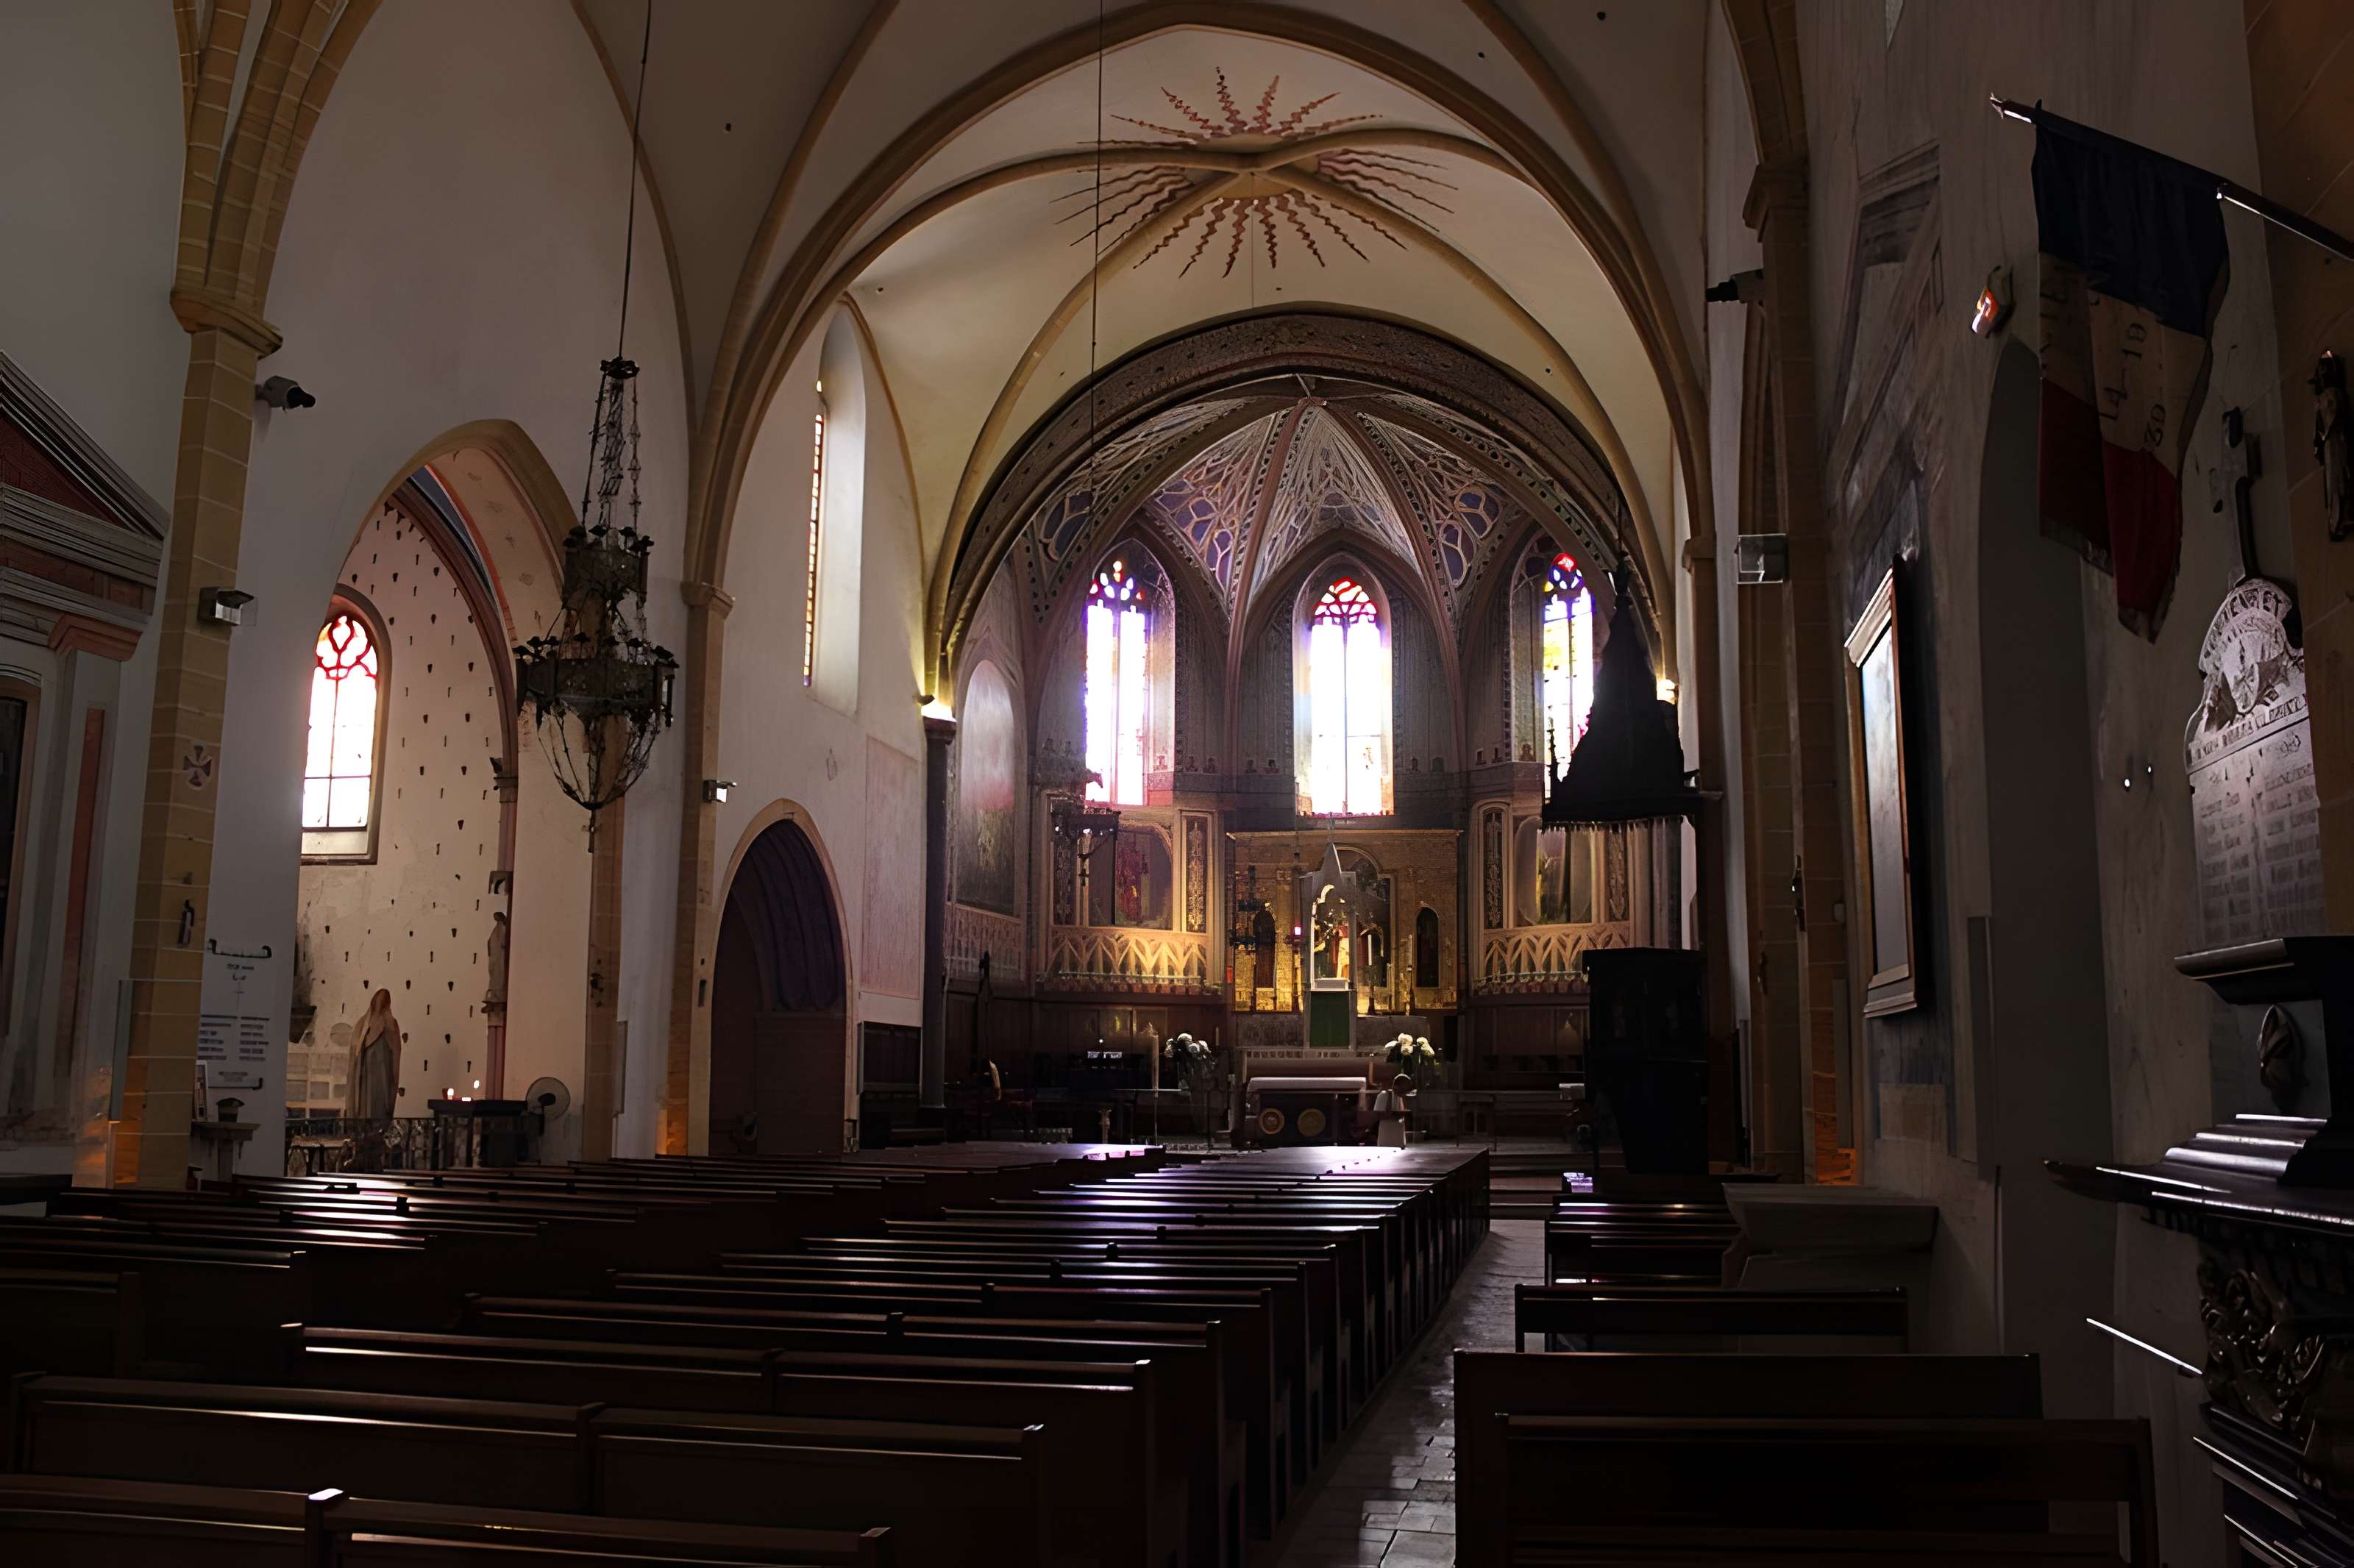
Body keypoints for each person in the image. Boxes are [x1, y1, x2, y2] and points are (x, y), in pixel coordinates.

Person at [346, 988, 403, 1167]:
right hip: (364, 1080)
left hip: (380, 1079)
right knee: (365, 1109)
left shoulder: (391, 1024)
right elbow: (355, 1053)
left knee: (377, 1109)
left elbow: (395, 1054)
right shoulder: (363, 1024)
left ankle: (375, 1139)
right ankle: (361, 1143)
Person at [1373, 1072, 1415, 1148]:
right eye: (1404, 1089)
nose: (1405, 1093)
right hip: (1387, 1142)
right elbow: (1378, 1116)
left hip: (1399, 1142)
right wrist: (1394, 1115)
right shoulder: (1383, 1096)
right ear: (1396, 1086)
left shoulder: (1399, 1097)